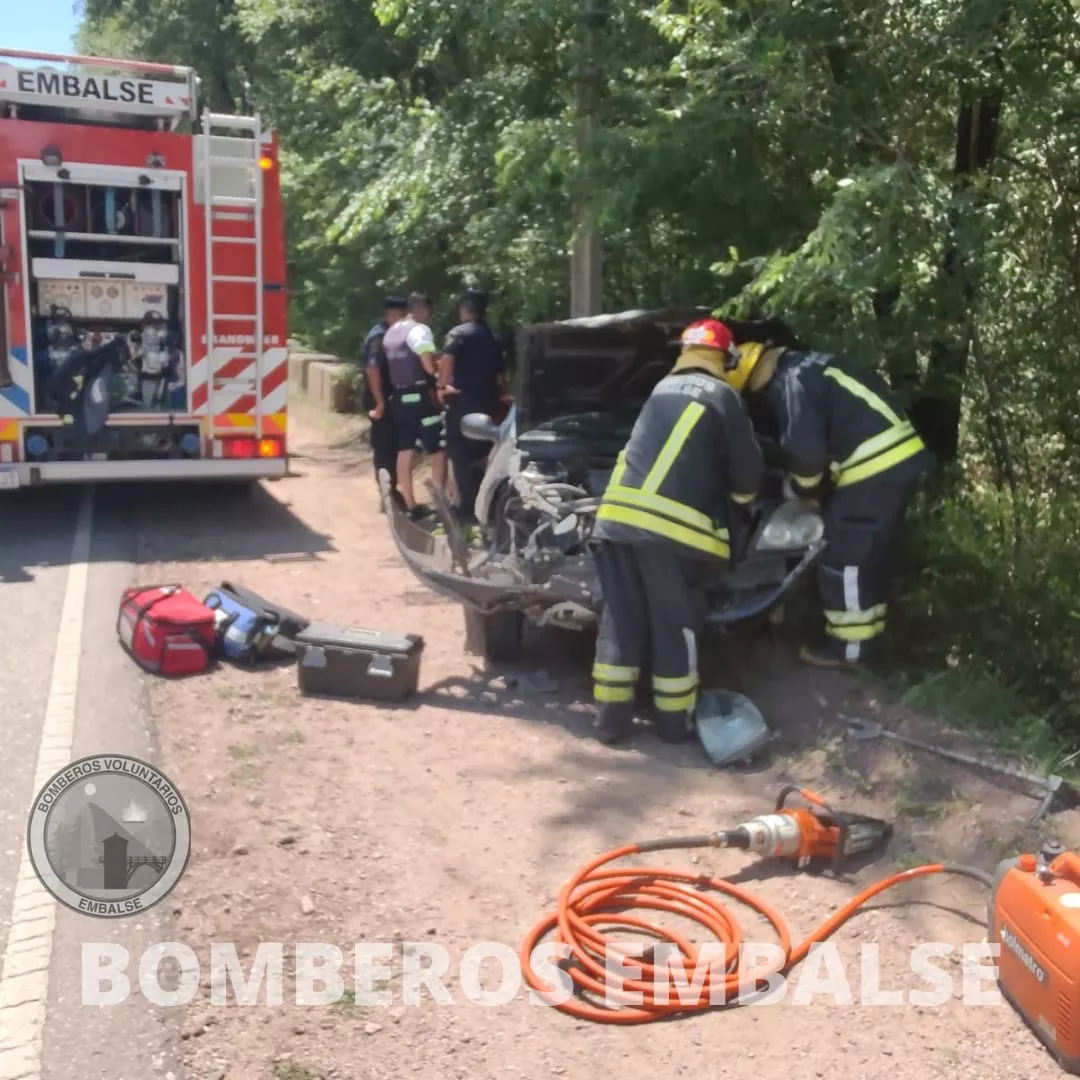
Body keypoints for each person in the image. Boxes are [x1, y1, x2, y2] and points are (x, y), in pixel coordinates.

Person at [588, 318, 765, 746]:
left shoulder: (658, 390)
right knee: (673, 625)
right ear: (726, 358)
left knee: (620, 622)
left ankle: (610, 724)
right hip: (668, 534)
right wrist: (740, 507)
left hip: (614, 522)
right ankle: (673, 727)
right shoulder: (723, 396)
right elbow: (747, 477)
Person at [719, 323, 932, 669]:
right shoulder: (808, 366)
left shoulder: (789, 384)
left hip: (873, 467)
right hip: (897, 461)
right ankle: (869, 644)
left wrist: (803, 493)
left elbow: (806, 456)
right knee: (871, 557)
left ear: (751, 380)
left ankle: (847, 652)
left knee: (843, 556)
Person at [435, 288, 506, 528]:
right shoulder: (494, 337)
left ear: (464, 309)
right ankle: (486, 510)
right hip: (489, 405)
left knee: (461, 457)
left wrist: (441, 385)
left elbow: (447, 359)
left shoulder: (458, 333)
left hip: (462, 404)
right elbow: (499, 377)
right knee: (484, 457)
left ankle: (467, 512)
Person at [381, 291, 448, 518]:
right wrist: (438, 372)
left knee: (405, 450)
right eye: (427, 313)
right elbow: (428, 364)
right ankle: (440, 505)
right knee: (439, 449)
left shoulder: (391, 332)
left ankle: (411, 505)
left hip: (399, 399)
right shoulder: (419, 330)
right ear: (421, 310)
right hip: (420, 399)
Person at [362, 295, 408, 509]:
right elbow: (373, 370)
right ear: (389, 315)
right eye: (399, 316)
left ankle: (392, 491)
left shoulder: (392, 334)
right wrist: (380, 403)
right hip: (381, 399)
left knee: (395, 446)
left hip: (392, 399)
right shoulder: (379, 337)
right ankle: (387, 493)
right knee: (384, 447)